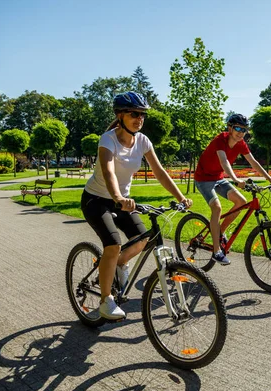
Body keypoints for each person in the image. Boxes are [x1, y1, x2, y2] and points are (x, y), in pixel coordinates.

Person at [81, 91, 192, 320]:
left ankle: (119, 264)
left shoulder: (142, 141)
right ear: (120, 115)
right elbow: (108, 171)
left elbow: (160, 172)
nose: (139, 118)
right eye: (134, 114)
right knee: (112, 244)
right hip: (97, 199)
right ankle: (106, 301)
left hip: (124, 202)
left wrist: (181, 197)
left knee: (143, 239)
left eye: (142, 114)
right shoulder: (108, 139)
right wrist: (119, 197)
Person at [193, 113, 271, 265]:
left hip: (218, 178)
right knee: (217, 208)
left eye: (244, 130)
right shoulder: (220, 140)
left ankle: (220, 232)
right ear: (230, 128)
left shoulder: (241, 143)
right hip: (204, 178)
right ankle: (216, 251)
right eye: (238, 128)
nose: (241, 132)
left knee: (241, 202)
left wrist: (270, 178)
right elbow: (224, 160)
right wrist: (235, 179)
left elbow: (253, 162)